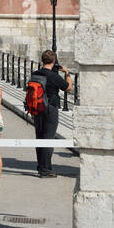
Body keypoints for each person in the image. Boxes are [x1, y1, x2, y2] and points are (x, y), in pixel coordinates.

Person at [28, 48, 72, 178]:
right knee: (48, 138)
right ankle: (46, 170)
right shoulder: (54, 76)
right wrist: (67, 73)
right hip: (50, 109)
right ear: (54, 61)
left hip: (37, 108)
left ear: (42, 60)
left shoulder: (35, 73)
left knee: (40, 137)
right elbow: (68, 88)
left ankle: (41, 166)